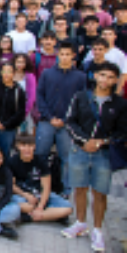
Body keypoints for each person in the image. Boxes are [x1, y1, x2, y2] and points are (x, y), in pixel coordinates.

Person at [62, 62, 127, 251]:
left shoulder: (120, 104)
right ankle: (81, 223)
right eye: (102, 75)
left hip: (104, 154)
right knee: (79, 188)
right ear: (95, 76)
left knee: (100, 192)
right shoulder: (81, 97)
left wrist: (100, 142)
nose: (105, 79)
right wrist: (83, 142)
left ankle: (98, 230)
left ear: (116, 80)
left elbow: (122, 132)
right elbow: (70, 122)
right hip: (79, 150)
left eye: (110, 76)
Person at [36, 41, 86, 195]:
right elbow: (40, 96)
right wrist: (49, 117)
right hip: (47, 122)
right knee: (40, 155)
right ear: (58, 55)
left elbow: (81, 101)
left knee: (67, 158)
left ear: (73, 56)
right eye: (62, 54)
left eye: (67, 55)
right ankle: (40, 186)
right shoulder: (47, 73)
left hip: (67, 125)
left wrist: (66, 119)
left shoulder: (80, 77)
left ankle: (66, 189)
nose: (64, 57)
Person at [10, 133, 73, 224]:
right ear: (18, 146)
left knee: (68, 208)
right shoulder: (13, 161)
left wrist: (40, 207)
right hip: (23, 196)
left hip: (40, 194)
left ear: (34, 146)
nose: (27, 149)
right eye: (23, 145)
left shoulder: (40, 161)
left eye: (30, 146)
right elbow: (11, 185)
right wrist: (26, 195)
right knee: (23, 206)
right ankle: (51, 215)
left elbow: (46, 187)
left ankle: (28, 217)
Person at [12, 53, 36, 135]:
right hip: (9, 110)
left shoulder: (30, 76)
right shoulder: (9, 75)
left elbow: (32, 97)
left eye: (22, 62)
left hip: (24, 110)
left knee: (24, 135)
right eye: (18, 62)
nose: (20, 64)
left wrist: (24, 113)